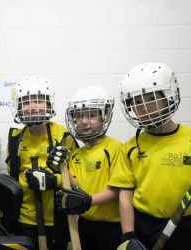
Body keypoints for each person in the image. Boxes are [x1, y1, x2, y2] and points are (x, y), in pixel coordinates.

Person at [110, 63, 191, 250]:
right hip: (143, 225)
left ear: (168, 97)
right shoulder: (131, 146)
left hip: (185, 225)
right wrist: (127, 235)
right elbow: (125, 193)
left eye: (151, 98)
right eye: (137, 102)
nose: (144, 107)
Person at [6, 75, 78, 250]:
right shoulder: (16, 138)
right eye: (26, 102)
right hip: (24, 219)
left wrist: (55, 181)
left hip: (57, 218)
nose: (33, 107)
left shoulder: (64, 136)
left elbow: (78, 181)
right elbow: (13, 177)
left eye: (39, 100)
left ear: (49, 103)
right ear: (19, 107)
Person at [51, 86, 123, 250]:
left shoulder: (115, 148)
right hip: (85, 223)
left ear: (103, 118)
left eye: (91, 115)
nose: (84, 121)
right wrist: (61, 166)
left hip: (111, 227)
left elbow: (119, 190)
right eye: (79, 116)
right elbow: (76, 185)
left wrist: (89, 201)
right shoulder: (76, 153)